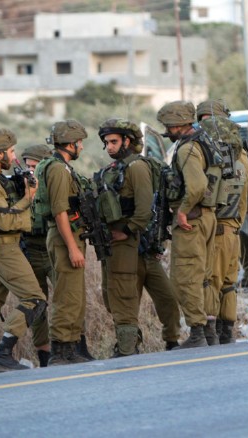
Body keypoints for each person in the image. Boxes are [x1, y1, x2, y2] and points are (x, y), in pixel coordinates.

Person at [96, 118, 181, 355]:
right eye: (106, 142)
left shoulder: (137, 167)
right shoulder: (115, 171)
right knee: (121, 301)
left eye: (113, 141)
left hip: (140, 246)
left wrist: (126, 230)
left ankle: (172, 341)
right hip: (129, 249)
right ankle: (129, 345)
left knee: (167, 299)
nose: (109, 147)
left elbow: (144, 210)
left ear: (128, 141)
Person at [0, 128, 45, 372]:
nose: (13, 157)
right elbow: (4, 221)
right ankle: (2, 354)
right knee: (34, 299)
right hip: (3, 248)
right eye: (11, 151)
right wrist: (29, 198)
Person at [197, 99, 248, 344]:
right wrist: (241, 212)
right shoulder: (237, 152)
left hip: (214, 227)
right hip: (233, 228)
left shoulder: (200, 150)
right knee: (228, 282)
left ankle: (211, 332)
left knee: (211, 279)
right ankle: (227, 331)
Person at [157, 101, 217, 348]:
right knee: (203, 276)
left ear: (178, 124)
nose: (167, 131)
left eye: (168, 126)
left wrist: (181, 212)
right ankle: (210, 332)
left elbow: (198, 186)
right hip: (207, 217)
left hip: (192, 219)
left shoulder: (186, 149)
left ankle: (197, 333)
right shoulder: (204, 141)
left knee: (185, 277)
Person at [37, 120, 92, 365]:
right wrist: (71, 247)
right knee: (65, 295)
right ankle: (60, 352)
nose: (81, 147)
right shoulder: (58, 170)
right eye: (79, 143)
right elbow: (60, 211)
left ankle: (70, 348)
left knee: (74, 294)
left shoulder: (59, 167)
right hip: (64, 238)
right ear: (70, 144)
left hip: (69, 236)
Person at [19, 144, 54, 367]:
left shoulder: (55, 182)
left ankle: (69, 346)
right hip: (30, 251)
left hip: (50, 249)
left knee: (67, 298)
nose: (31, 170)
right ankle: (45, 356)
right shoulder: (20, 187)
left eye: (35, 166)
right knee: (38, 304)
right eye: (28, 166)